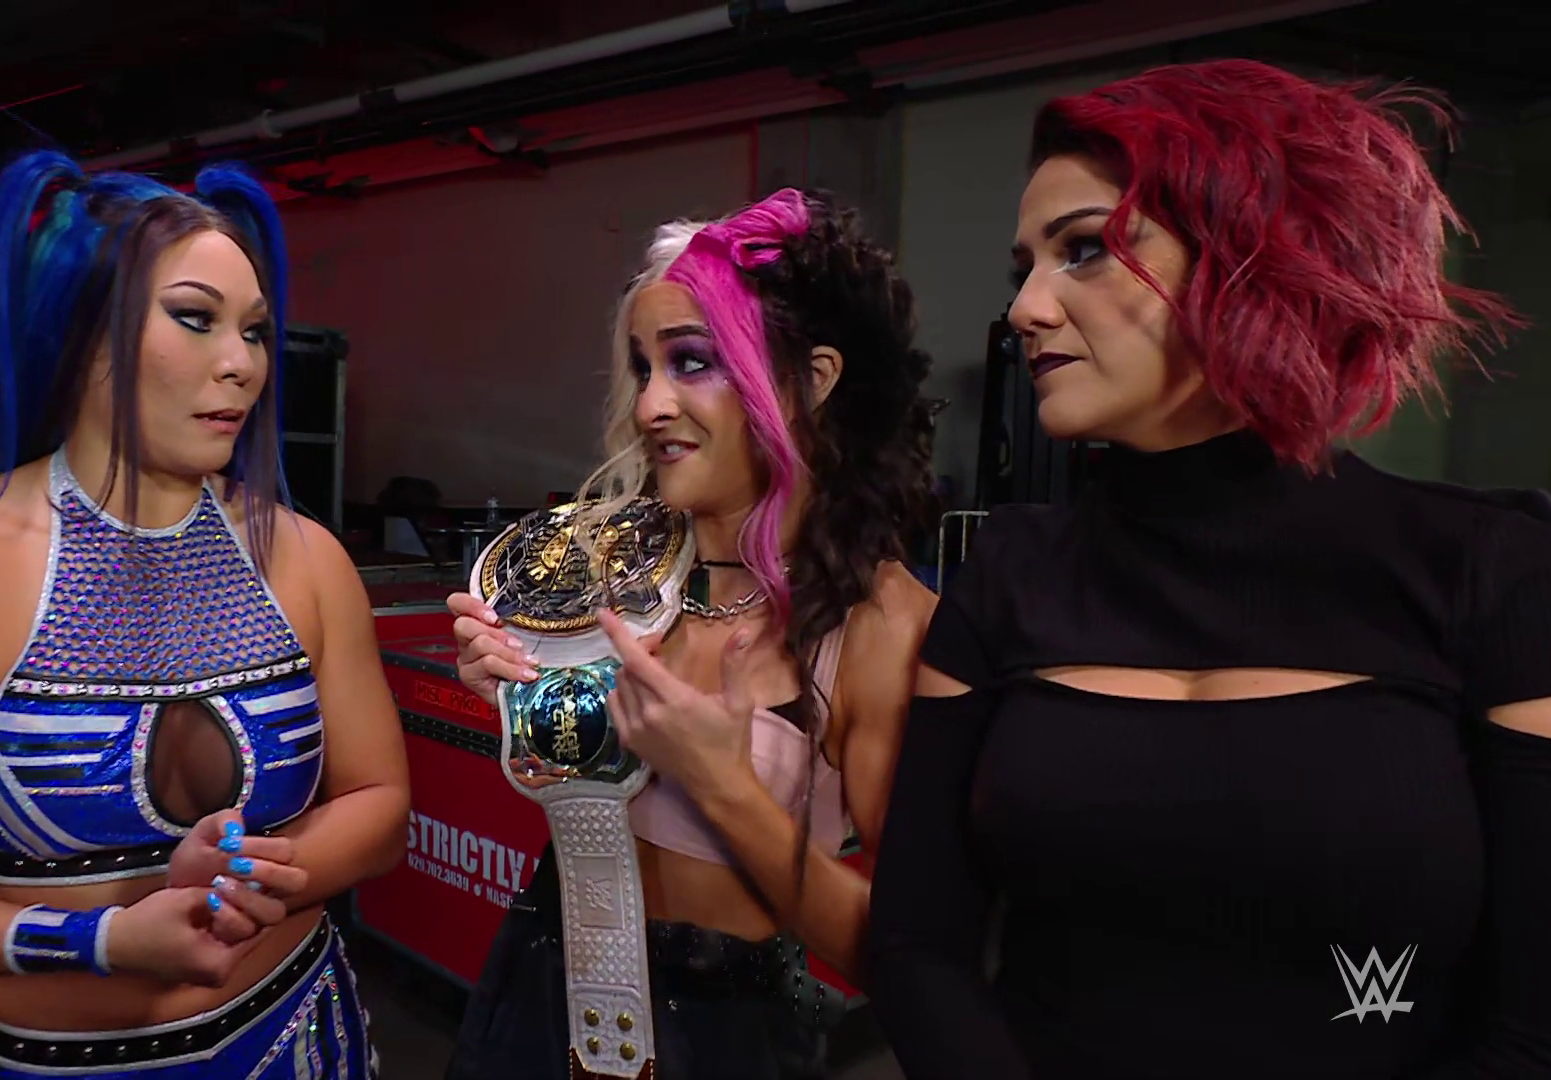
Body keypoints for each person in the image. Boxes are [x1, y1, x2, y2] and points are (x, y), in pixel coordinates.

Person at [866, 58, 1551, 1079]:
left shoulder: (1488, 571)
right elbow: (919, 948)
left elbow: (1533, 1030)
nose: (1027, 309)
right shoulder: (1009, 572)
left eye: (1085, 251)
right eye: (1025, 270)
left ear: (1249, 257)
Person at [0, 151, 409, 1080]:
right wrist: (96, 940)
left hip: (298, 1040)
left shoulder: (305, 557)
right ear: (81, 334)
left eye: (255, 331)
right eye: (195, 318)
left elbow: (379, 803)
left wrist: (242, 879)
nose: (242, 365)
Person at [443, 188, 940, 1080]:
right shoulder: (608, 566)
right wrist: (526, 686)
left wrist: (724, 784)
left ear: (813, 379)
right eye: (644, 369)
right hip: (534, 999)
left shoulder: (882, 624)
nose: (650, 406)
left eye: (692, 361)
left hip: (723, 1043)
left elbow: (904, 955)